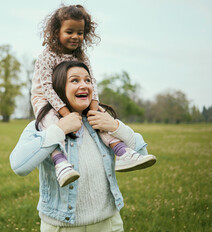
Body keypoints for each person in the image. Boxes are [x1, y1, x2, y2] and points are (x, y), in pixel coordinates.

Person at [10, 61, 152, 231]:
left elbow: (142, 153)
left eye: (88, 80)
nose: (84, 85)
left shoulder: (101, 122)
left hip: (108, 224)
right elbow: (19, 165)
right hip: (62, 227)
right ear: (59, 89)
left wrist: (116, 126)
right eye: (75, 80)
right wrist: (60, 129)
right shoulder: (43, 125)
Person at [31, 4, 156, 187]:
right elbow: (48, 88)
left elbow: (92, 81)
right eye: (69, 31)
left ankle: (122, 152)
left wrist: (94, 105)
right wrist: (66, 114)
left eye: (80, 32)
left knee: (99, 118)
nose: (75, 37)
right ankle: (60, 162)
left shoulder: (81, 56)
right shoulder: (47, 56)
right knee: (51, 124)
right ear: (57, 32)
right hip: (45, 98)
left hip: (72, 98)